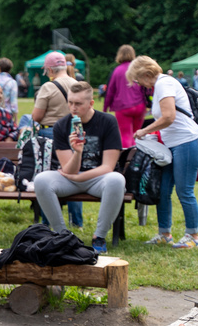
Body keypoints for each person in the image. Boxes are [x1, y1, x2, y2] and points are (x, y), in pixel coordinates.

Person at [33, 81, 125, 254]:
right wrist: (77, 152)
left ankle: (99, 237)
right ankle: (62, 235)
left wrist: (80, 178)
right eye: (70, 102)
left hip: (98, 178)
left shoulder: (107, 121)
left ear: (91, 103)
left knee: (117, 179)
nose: (73, 108)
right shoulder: (61, 125)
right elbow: (69, 170)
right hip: (71, 178)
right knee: (42, 180)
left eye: (78, 104)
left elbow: (108, 166)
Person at [127, 56, 198, 249]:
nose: (139, 84)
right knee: (162, 190)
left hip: (187, 142)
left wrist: (145, 131)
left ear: (146, 74)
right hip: (171, 145)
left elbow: (169, 117)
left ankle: (193, 236)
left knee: (184, 190)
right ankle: (164, 233)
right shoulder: (161, 85)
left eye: (138, 79)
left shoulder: (164, 84)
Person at [21, 51, 82, 227]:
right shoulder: (77, 84)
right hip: (73, 133)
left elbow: (37, 116)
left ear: (49, 69)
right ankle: (76, 221)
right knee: (73, 175)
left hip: (51, 134)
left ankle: (48, 221)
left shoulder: (48, 87)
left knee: (49, 178)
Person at [103, 44, 146, 149]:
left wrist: (105, 108)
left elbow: (110, 91)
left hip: (123, 107)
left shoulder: (117, 71)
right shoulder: (138, 69)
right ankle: (138, 159)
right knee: (137, 134)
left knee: (125, 135)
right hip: (140, 105)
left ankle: (127, 161)